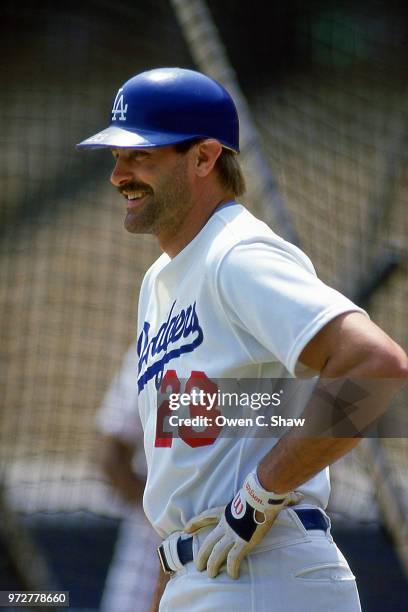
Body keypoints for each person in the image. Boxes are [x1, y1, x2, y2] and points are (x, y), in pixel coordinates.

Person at [78, 67, 408, 612]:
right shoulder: (160, 280)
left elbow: (376, 367)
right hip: (210, 575)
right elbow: (190, 479)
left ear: (205, 158)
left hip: (263, 572)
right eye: (116, 157)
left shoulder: (235, 252)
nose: (119, 175)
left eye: (141, 155)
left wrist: (259, 496)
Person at [96, 341, 159, 612]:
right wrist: (165, 516)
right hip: (144, 559)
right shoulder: (149, 348)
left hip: (229, 556)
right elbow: (111, 458)